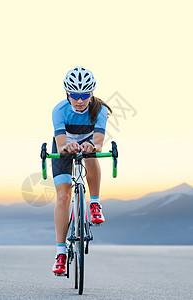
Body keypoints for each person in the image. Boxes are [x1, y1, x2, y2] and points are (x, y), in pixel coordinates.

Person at [51, 66, 113, 274]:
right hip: (64, 147)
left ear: (92, 93)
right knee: (63, 197)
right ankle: (60, 253)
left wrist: (92, 147)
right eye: (75, 95)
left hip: (88, 143)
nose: (79, 100)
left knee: (92, 155)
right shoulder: (59, 110)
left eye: (84, 95)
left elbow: (99, 142)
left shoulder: (100, 110)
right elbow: (60, 144)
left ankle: (94, 204)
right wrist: (65, 147)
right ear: (67, 93)